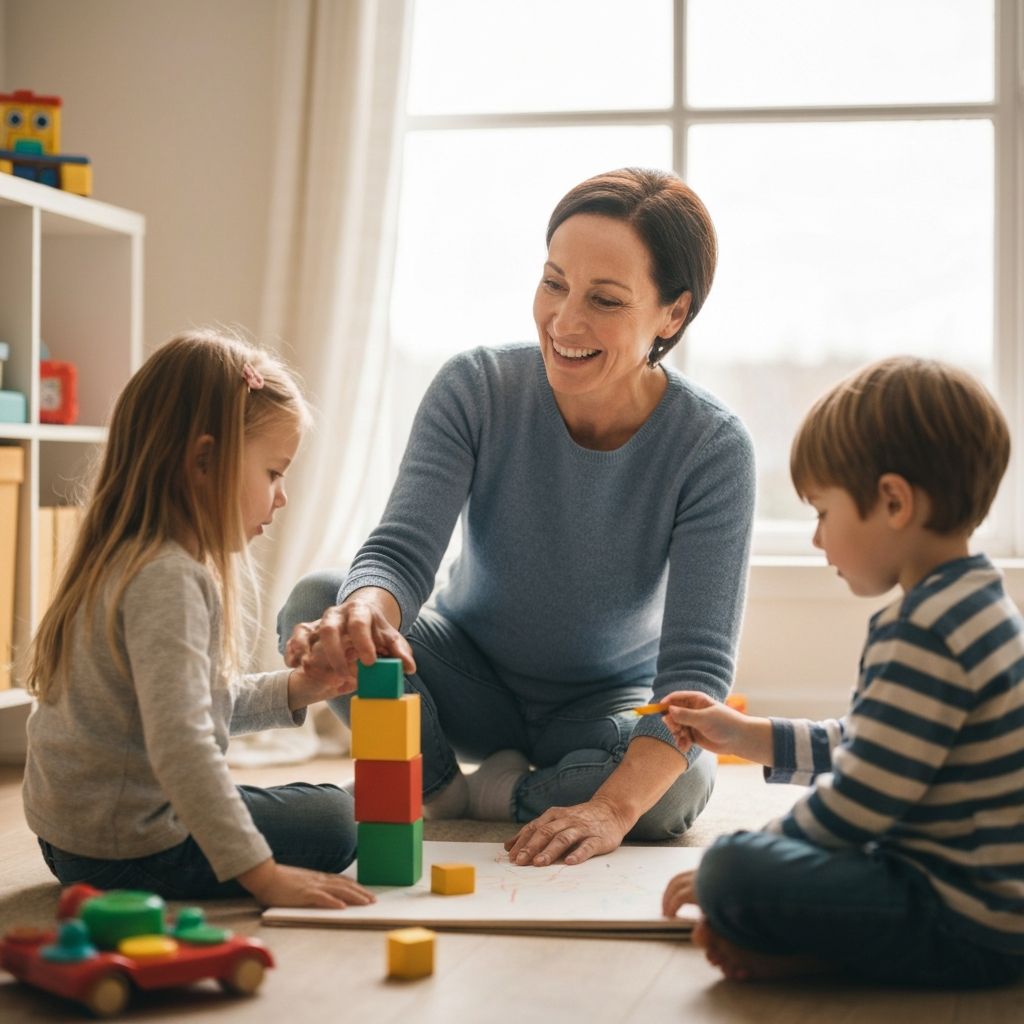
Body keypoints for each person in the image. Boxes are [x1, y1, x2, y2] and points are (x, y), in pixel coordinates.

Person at [280, 167, 756, 866]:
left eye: (606, 299)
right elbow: (402, 554)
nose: (565, 321)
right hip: (464, 674)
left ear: (673, 315)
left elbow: (694, 676)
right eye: (554, 282)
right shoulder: (476, 388)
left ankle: (496, 795)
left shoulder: (711, 447)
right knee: (321, 597)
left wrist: (613, 807)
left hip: (603, 705)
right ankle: (438, 786)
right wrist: (363, 610)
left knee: (680, 790)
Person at [660, 356, 1024, 987]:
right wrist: (747, 735)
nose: (817, 539)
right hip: (990, 911)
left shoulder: (924, 632)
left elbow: (858, 804)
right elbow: (868, 749)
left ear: (893, 501)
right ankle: (809, 953)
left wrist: (759, 850)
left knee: (732, 870)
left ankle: (820, 953)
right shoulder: (975, 606)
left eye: (824, 513)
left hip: (961, 921)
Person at [22, 329, 374, 910]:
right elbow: (184, 744)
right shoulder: (170, 578)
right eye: (273, 473)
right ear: (206, 461)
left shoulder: (118, 558)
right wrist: (265, 878)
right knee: (339, 818)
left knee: (314, 802)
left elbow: (187, 707)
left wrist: (299, 688)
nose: (281, 498)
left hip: (68, 842)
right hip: (132, 854)